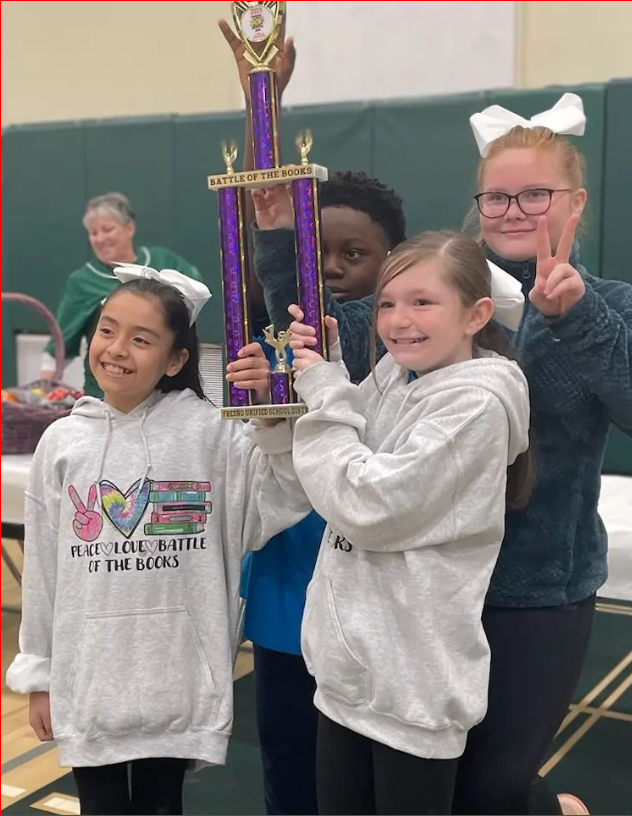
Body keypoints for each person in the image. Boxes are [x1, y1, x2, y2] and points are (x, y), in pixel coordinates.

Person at [447, 94, 632, 815]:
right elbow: (337, 335)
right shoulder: (443, 295)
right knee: (438, 778)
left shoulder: (613, 302)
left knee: (495, 783)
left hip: (541, 589)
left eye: (535, 194)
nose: (514, 209)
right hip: (435, 582)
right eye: (497, 195)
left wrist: (578, 318)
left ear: (575, 202)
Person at [7, 265, 311, 815]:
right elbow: (45, 572)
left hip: (177, 680)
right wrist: (40, 673)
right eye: (107, 329)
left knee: (160, 804)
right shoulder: (61, 442)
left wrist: (270, 418)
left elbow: (282, 495)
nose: (117, 349)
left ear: (176, 360)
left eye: (141, 339)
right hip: (89, 681)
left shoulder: (213, 433)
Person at [287, 230, 531, 814]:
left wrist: (323, 390)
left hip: (413, 688)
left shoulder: (474, 405)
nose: (400, 320)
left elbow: (366, 501)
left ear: (476, 314)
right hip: (350, 678)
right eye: (388, 303)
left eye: (423, 302)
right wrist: (299, 397)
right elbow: (331, 462)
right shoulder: (396, 376)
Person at [244, 172, 406, 814]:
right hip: (287, 603)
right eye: (318, 255)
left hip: (374, 616)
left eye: (354, 254)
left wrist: (282, 244)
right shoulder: (263, 352)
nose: (332, 269)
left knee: (365, 784)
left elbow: (323, 322)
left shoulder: (411, 352)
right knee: (290, 774)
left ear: (395, 263)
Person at [40, 192, 201, 397]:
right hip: (104, 398)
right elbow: (60, 345)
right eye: (93, 232)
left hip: (168, 394)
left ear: (129, 228)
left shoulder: (166, 262)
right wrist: (43, 392)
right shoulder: (83, 281)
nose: (100, 239)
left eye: (107, 229)